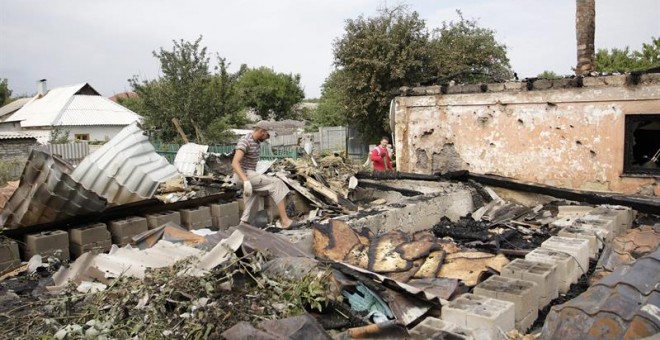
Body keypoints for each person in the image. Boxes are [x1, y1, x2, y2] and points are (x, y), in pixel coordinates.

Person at [232, 122, 300, 229]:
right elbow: (235, 162)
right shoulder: (245, 141)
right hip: (243, 174)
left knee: (254, 195)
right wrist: (245, 180)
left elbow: (264, 138)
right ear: (261, 131)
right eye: (266, 135)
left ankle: (243, 225)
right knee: (276, 183)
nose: (267, 138)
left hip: (249, 174)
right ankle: (285, 221)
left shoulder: (256, 141)